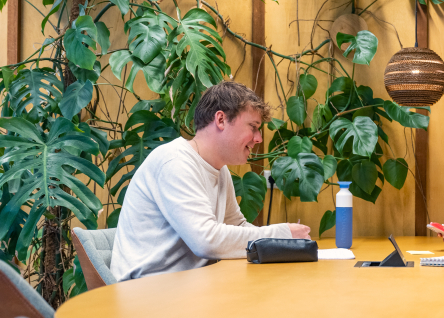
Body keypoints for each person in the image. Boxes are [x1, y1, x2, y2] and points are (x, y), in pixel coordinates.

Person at [111, 81, 311, 281]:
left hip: (186, 287)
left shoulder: (219, 169)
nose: (258, 138)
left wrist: (282, 241)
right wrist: (280, 233)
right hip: (146, 292)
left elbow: (238, 225)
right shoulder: (174, 161)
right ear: (221, 119)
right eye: (253, 127)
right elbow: (206, 240)